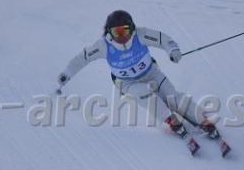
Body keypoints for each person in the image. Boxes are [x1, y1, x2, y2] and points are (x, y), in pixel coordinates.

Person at [57, 10, 220, 143]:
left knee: (172, 97)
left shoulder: (140, 35)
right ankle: (170, 120)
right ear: (109, 32)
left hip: (151, 73)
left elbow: (162, 39)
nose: (122, 36)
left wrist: (173, 50)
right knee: (144, 93)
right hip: (127, 82)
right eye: (117, 32)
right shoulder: (103, 46)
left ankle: (201, 118)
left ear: (132, 28)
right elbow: (82, 59)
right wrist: (66, 74)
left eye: (125, 30)